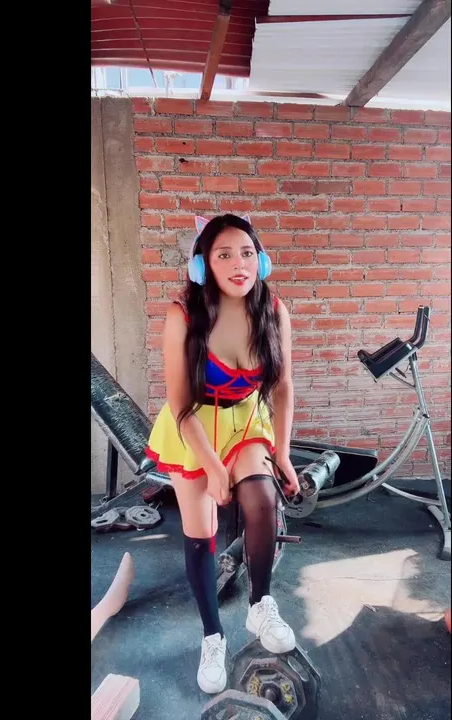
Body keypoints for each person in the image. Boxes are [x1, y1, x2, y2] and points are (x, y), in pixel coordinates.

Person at [144, 213, 302, 694]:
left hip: (245, 421)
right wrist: (213, 468)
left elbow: (282, 387)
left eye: (248, 254)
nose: (239, 265)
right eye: (225, 255)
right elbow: (180, 403)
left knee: (262, 500)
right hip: (193, 425)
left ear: (262, 261)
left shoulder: (273, 309)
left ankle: (260, 605)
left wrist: (283, 453)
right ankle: (212, 635)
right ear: (202, 265)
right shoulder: (183, 316)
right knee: (202, 532)